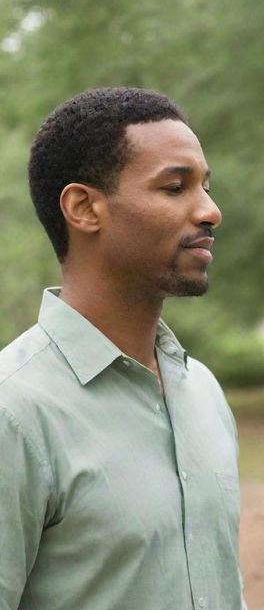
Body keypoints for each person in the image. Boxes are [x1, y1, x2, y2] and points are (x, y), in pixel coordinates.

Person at [0, 87, 245, 610]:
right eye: (175, 188)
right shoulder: (14, 412)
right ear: (84, 207)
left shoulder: (200, 389)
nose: (210, 212)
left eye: (206, 186)